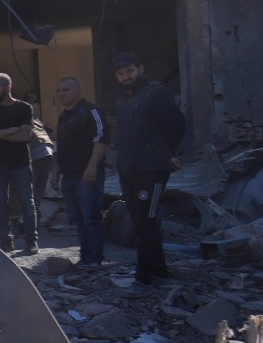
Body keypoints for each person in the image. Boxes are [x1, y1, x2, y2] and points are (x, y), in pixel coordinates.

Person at [109, 51, 186, 285]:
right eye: (121, 74)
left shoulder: (157, 93)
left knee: (147, 219)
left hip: (151, 168)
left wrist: (165, 152)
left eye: (129, 71)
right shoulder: (123, 98)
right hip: (129, 167)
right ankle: (159, 270)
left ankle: (144, 275)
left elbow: (177, 124)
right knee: (138, 219)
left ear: (140, 68)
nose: (126, 77)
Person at [0, 73, 40, 253]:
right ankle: (5, 241)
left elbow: (24, 136)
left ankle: (31, 241)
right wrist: (12, 129)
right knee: (0, 203)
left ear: (7, 87)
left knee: (27, 202)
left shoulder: (24, 108)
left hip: (20, 162)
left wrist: (0, 133)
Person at [52, 75, 107, 267]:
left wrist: (92, 167)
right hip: (69, 175)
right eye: (59, 90)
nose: (61, 94)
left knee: (91, 218)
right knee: (78, 220)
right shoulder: (63, 116)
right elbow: (62, 146)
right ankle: (85, 258)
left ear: (78, 91)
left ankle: (95, 259)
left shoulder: (91, 111)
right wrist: (56, 170)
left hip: (87, 175)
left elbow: (102, 139)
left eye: (66, 90)